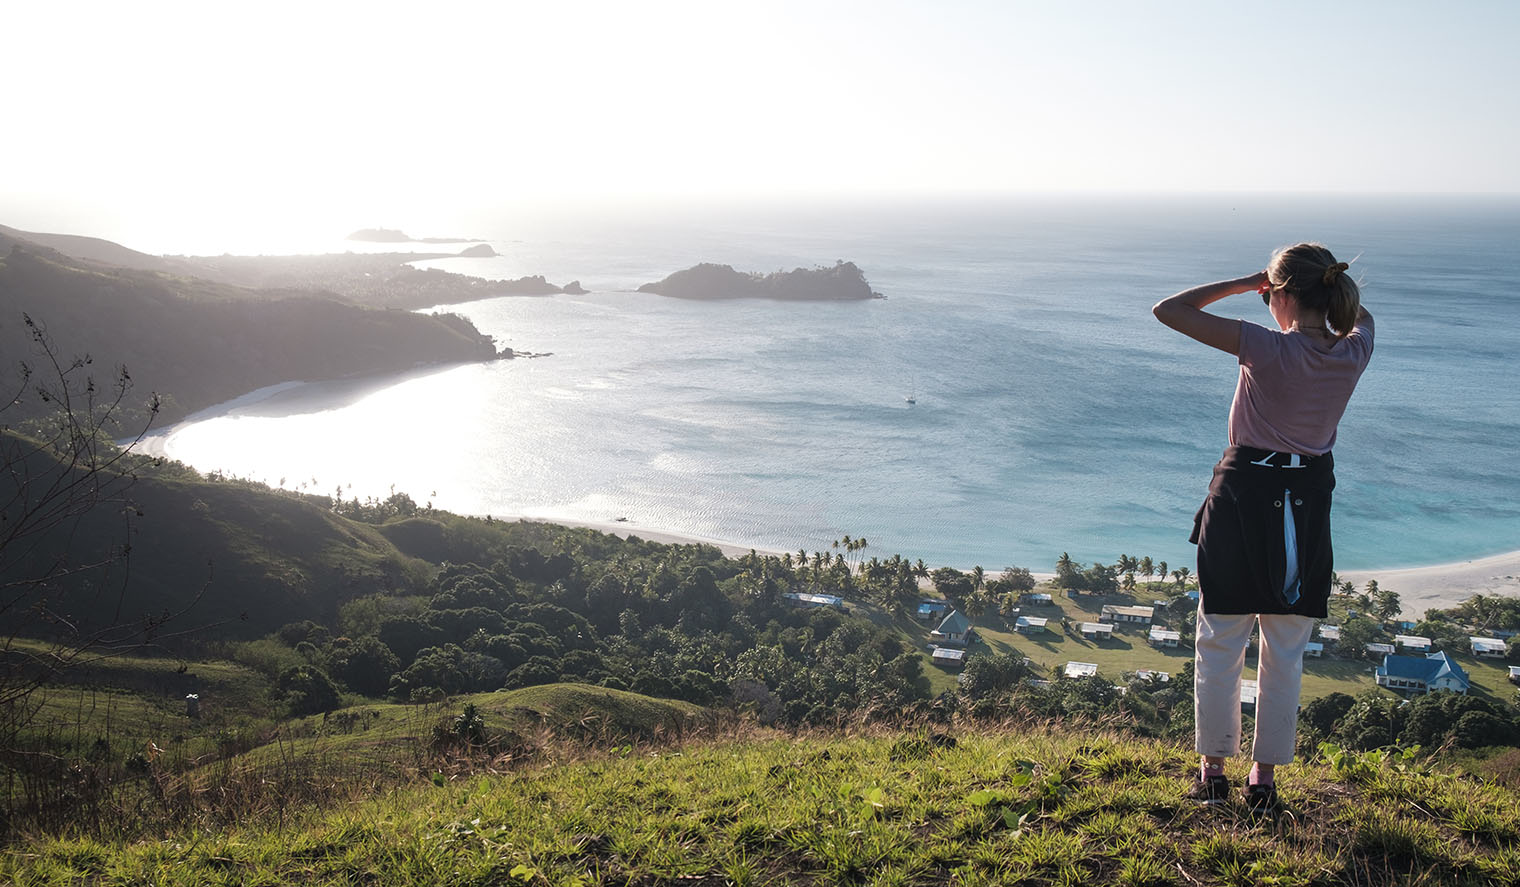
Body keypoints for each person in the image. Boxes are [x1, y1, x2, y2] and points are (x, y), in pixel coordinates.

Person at [1152, 243, 1374, 811]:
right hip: (1307, 505)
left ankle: (1212, 773)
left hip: (1243, 498)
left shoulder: (1264, 347)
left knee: (1220, 639)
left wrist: (1244, 282)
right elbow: (1360, 315)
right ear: (1331, 290)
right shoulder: (1355, 351)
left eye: (1271, 293)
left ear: (1279, 293)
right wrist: (1287, 287)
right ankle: (1264, 782)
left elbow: (1169, 310)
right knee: (1286, 649)